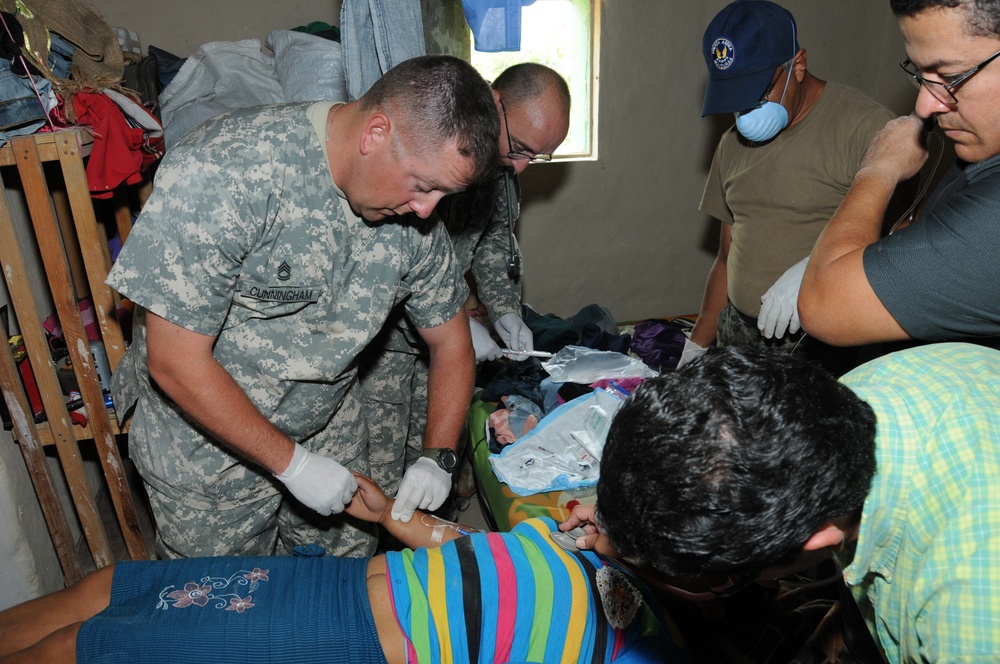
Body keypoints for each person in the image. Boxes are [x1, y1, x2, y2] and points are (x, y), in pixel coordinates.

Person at [106, 54, 500, 560]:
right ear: (375, 132)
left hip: (326, 424)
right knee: (225, 612)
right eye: (424, 186)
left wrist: (438, 456)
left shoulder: (415, 224)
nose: (427, 210)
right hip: (204, 450)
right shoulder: (226, 169)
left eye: (443, 194)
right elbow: (173, 361)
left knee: (342, 595)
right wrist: (291, 465)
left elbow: (450, 341)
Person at [577, 343, 1000, 661]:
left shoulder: (963, 626)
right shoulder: (838, 399)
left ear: (817, 540)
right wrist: (622, 520)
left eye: (724, 578)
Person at [0, 475, 688, 663]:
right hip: (327, 584)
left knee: (83, 649)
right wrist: (388, 514)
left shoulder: (640, 645)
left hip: (337, 641)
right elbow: (476, 553)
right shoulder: (596, 539)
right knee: (105, 589)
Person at [360, 63, 571, 515]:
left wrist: (505, 310)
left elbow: (493, 240)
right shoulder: (430, 148)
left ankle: (437, 555)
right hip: (386, 348)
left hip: (446, 351)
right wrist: (450, 321)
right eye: (520, 148)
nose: (521, 166)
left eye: (538, 157)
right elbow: (377, 264)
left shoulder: (500, 172)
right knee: (379, 473)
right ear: (494, 103)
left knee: (435, 460)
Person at [680, 0, 895, 373]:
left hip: (819, 348)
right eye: (735, 99)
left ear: (797, 65)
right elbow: (727, 255)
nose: (746, 113)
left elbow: (908, 236)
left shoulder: (866, 129)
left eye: (757, 93)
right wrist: (695, 348)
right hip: (741, 337)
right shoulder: (732, 145)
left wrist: (819, 268)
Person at [798, 0, 1000, 345]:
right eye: (921, 76)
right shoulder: (983, 151)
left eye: (950, 76)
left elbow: (822, 304)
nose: (925, 106)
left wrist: (879, 169)